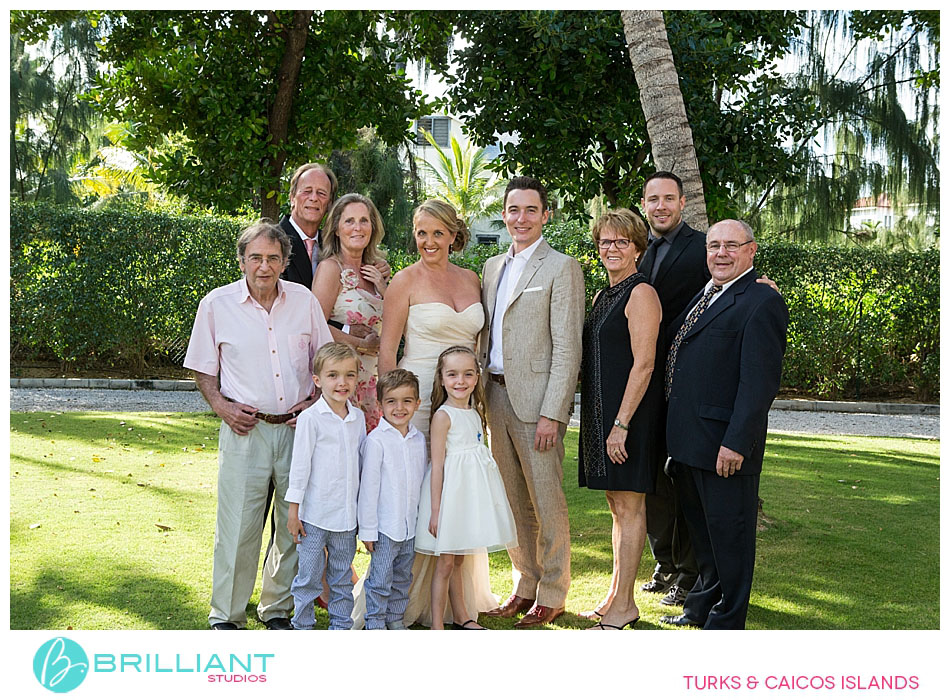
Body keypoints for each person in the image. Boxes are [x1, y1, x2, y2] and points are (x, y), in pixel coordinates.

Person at [351, 199, 496, 628]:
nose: (428, 241)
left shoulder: (472, 279)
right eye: (420, 233)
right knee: (414, 493)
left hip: (460, 399)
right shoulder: (404, 281)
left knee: (458, 488)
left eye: (437, 233)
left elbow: (478, 347)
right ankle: (401, 598)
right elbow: (387, 351)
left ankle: (457, 604)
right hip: (415, 402)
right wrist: (394, 411)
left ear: (453, 235)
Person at [183, 219, 333, 630]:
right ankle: (227, 615)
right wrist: (221, 406)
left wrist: (314, 401)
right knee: (238, 526)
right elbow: (202, 367)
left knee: (292, 525)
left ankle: (276, 609)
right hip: (243, 430)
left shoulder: (303, 301)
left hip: (297, 431)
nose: (263, 266)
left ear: (285, 261)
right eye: (255, 258)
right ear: (241, 261)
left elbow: (325, 359)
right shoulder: (216, 304)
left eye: (272, 258)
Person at [660, 219, 788, 630]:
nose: (721, 253)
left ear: (751, 250)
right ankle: (699, 609)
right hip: (689, 442)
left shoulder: (761, 301)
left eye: (731, 245)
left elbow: (758, 384)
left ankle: (728, 620)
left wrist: (736, 442)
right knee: (704, 538)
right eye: (714, 245)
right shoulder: (707, 293)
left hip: (724, 446)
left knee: (730, 538)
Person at [480, 176, 585, 628]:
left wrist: (553, 413)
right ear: (504, 215)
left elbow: (567, 348)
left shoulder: (562, 267)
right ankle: (525, 584)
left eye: (530, 210)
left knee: (546, 501)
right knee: (511, 500)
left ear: (545, 215)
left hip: (537, 405)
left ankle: (553, 592)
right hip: (494, 397)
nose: (520, 218)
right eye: (513, 210)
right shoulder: (491, 267)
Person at [578, 209, 662, 630]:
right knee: (616, 505)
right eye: (605, 241)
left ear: (637, 249)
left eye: (621, 242)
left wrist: (622, 424)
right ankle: (615, 595)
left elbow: (644, 364)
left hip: (629, 420)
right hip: (602, 417)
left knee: (629, 506)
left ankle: (626, 605)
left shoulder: (641, 293)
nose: (611, 248)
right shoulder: (603, 295)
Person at [635, 171, 707, 606]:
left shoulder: (702, 247)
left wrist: (762, 283)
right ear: (644, 204)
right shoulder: (635, 248)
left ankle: (689, 572)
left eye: (668, 199)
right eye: (653, 199)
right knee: (652, 481)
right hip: (643, 381)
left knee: (680, 479)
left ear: (682, 203)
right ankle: (663, 563)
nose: (660, 206)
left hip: (684, 381)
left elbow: (731, 282)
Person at [414, 346, 517, 630]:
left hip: (467, 497)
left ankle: (462, 617)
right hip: (449, 499)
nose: (460, 381)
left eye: (468, 374)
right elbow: (437, 466)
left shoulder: (475, 412)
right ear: (441, 378)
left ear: (477, 377)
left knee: (459, 562)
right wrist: (436, 511)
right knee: (445, 564)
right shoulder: (443, 416)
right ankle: (437, 625)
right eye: (452, 374)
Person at [287, 342, 366, 630]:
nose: (341, 383)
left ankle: (340, 627)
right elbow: (300, 468)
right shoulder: (311, 419)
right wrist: (293, 512)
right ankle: (302, 626)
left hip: (345, 518)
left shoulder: (358, 418)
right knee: (308, 577)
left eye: (349, 375)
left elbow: (361, 465)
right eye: (333, 375)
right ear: (318, 380)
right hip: (313, 517)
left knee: (341, 577)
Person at [357, 369, 427, 630]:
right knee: (380, 579)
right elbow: (368, 490)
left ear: (417, 403)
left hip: (410, 527)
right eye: (391, 401)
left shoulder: (418, 440)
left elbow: (420, 482)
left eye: (407, 401)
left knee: (402, 577)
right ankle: (375, 622)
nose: (399, 408)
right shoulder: (376, 441)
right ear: (380, 405)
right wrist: (368, 529)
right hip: (385, 529)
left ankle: (395, 619)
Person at [312, 193, 388, 431]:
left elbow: (398, 320)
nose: (358, 227)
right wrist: (361, 344)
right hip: (344, 381)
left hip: (377, 381)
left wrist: (384, 288)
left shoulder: (377, 271)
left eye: (364, 220)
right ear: (336, 229)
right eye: (349, 221)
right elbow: (316, 325)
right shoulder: (330, 269)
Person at [280, 163, 337, 290]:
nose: (314, 198)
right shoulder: (272, 240)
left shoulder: (333, 245)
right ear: (292, 198)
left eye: (321, 193)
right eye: (307, 191)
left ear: (329, 204)